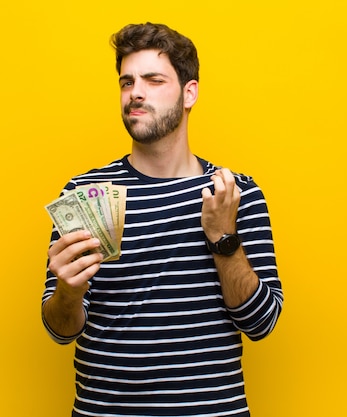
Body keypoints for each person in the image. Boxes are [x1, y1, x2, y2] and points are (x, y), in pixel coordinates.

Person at [42, 22, 283, 416]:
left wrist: (224, 238)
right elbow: (59, 331)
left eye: (153, 80)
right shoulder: (84, 195)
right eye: (126, 82)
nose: (135, 92)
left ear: (190, 93)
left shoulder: (234, 192)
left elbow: (261, 323)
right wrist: (68, 292)